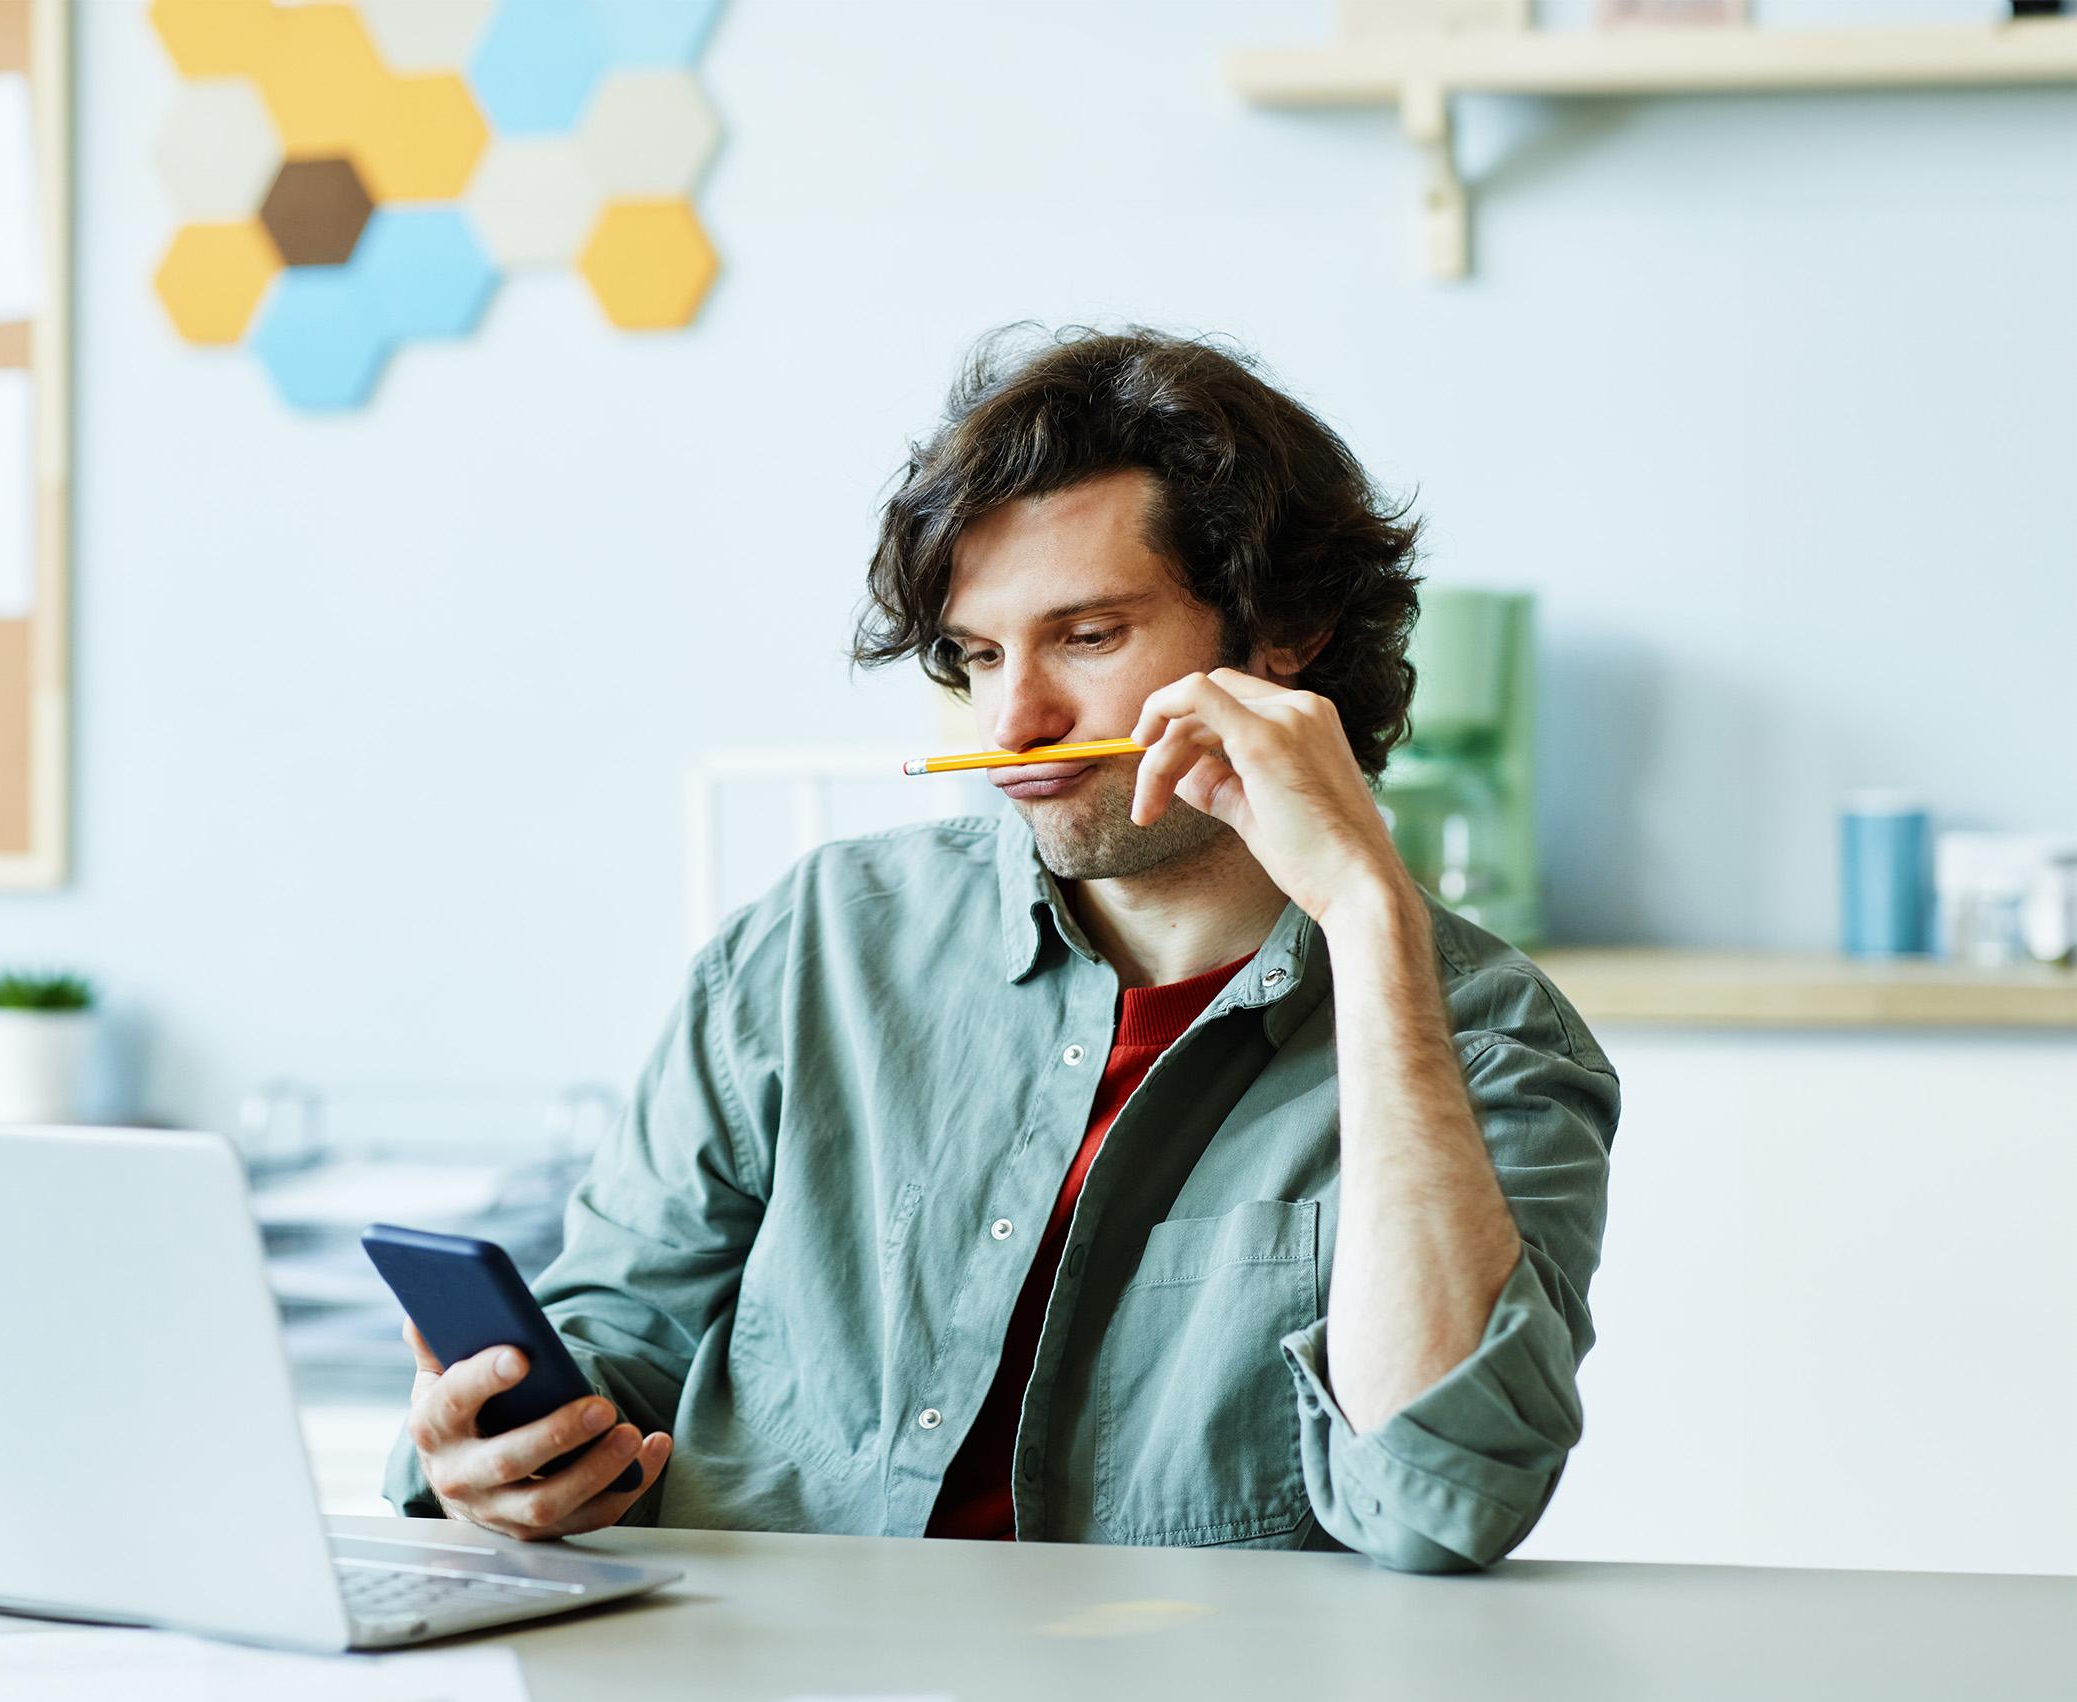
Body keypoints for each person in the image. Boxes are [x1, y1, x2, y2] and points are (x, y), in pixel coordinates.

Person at [388, 327, 1617, 1572]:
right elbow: (621, 1333)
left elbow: (1437, 1503)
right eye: (978, 656)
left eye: (1086, 636)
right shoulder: (820, 939)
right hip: (757, 1662)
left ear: (1284, 629)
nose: (1013, 723)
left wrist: (1367, 918)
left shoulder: (1488, 1035)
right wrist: (495, 1450)